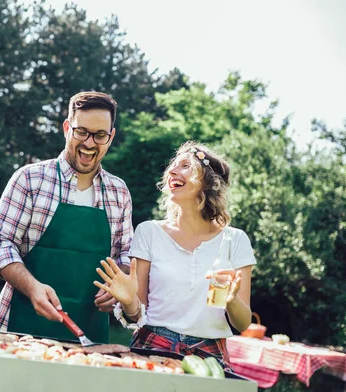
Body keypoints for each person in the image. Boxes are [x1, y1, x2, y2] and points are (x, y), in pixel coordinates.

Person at [0, 91, 133, 343]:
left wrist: (117, 289)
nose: (89, 143)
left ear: (111, 137)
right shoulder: (29, 179)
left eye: (99, 135)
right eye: (81, 131)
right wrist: (32, 287)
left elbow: (124, 256)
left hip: (89, 335)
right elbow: (0, 243)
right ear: (67, 128)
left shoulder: (119, 192)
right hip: (19, 328)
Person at [94, 141, 255, 366]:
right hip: (152, 345)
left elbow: (243, 323)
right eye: (173, 165)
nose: (172, 171)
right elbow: (137, 315)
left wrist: (231, 300)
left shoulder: (235, 240)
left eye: (185, 166)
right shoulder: (148, 232)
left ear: (208, 182)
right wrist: (130, 301)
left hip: (210, 354)